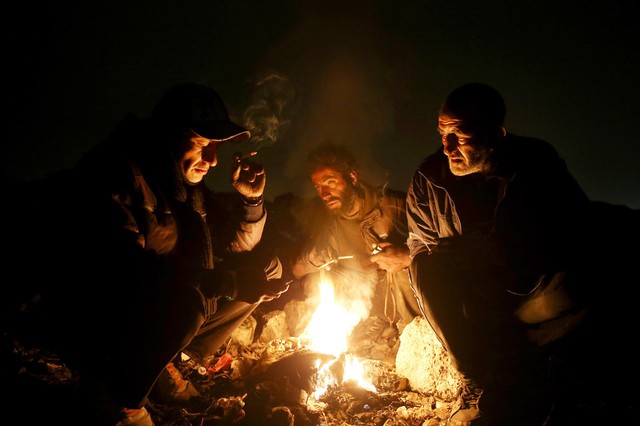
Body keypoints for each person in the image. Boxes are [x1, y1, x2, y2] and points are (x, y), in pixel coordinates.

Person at [7, 83, 290, 425]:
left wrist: (251, 202)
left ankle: (173, 359)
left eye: (216, 146)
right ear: (167, 134)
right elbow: (120, 274)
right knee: (190, 303)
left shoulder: (186, 188)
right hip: (101, 319)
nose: (213, 160)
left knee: (266, 269)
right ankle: (118, 396)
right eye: (203, 144)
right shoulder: (116, 171)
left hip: (162, 307)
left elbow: (232, 247)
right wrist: (225, 281)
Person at [406, 82, 640, 425]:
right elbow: (421, 247)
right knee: (425, 266)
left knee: (605, 260)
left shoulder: (536, 162)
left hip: (533, 297)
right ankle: (478, 377)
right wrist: (462, 261)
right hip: (473, 301)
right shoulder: (430, 178)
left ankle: (548, 365)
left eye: (460, 134)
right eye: (442, 132)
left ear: (495, 134)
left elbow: (575, 226)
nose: (447, 146)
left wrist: (500, 252)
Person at [291, 142, 421, 360]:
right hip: (369, 304)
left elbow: (442, 253)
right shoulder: (332, 226)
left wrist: (405, 256)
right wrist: (311, 260)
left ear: (352, 177)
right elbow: (298, 270)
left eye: (330, 182)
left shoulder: (397, 206)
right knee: (322, 278)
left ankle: (419, 338)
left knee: (403, 271)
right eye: (318, 187)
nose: (324, 193)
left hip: (409, 298)